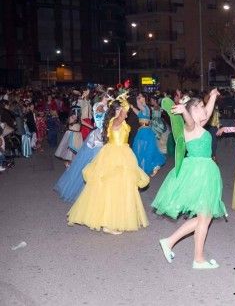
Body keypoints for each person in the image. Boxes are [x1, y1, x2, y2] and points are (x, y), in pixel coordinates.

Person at [152, 89, 227, 269]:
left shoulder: (200, 124)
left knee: (204, 217)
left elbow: (207, 112)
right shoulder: (190, 127)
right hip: (199, 173)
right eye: (200, 107)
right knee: (205, 217)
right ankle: (198, 259)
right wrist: (184, 111)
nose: (204, 110)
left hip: (203, 171)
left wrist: (214, 96)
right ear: (192, 111)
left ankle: (170, 242)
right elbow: (190, 121)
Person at [67, 95, 150, 234]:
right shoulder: (115, 121)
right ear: (118, 110)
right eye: (124, 110)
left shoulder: (120, 121)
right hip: (114, 156)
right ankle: (107, 223)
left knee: (120, 188)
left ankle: (114, 218)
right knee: (111, 188)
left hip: (124, 154)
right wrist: (124, 103)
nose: (126, 113)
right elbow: (122, 115)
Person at [54, 96, 107, 202]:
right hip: (93, 138)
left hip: (98, 136)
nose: (108, 98)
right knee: (83, 160)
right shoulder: (98, 106)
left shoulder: (103, 107)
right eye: (106, 97)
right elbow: (98, 113)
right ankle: (70, 167)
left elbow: (87, 123)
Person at [131, 93, 166, 176]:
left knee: (143, 151)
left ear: (144, 98)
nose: (139, 99)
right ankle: (148, 168)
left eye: (140, 97)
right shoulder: (143, 110)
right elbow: (135, 110)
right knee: (143, 151)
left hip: (145, 132)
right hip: (142, 131)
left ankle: (151, 166)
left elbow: (138, 105)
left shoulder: (145, 108)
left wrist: (136, 99)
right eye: (138, 97)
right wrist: (130, 105)